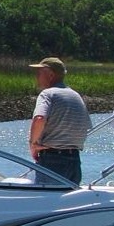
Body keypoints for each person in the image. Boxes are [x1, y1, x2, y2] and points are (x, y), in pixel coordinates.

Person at [28, 56, 90, 185]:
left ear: (50, 75)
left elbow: (39, 118)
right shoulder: (75, 95)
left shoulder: (48, 94)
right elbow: (85, 126)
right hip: (74, 161)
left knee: (47, 201)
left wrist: (33, 145)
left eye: (39, 73)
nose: (37, 77)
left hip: (52, 160)